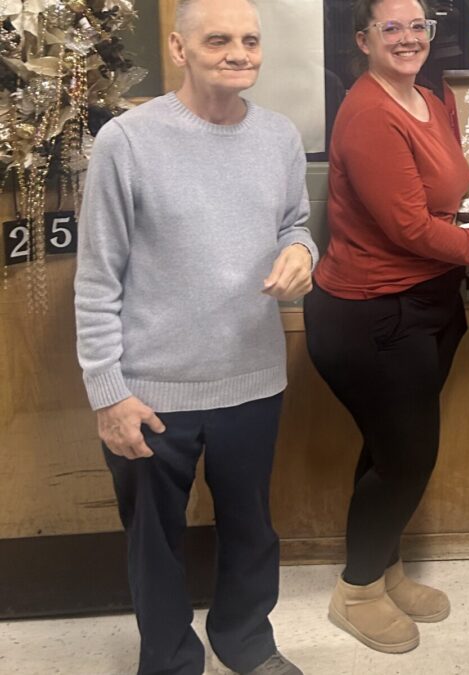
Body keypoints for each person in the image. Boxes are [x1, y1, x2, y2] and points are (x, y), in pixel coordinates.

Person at [303, 0, 469, 655]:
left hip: (428, 306)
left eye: (420, 26)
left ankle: (384, 570)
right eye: (393, 27)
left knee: (391, 450)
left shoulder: (430, 100)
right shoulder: (367, 116)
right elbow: (410, 228)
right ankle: (356, 591)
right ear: (363, 39)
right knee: (407, 459)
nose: (410, 37)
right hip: (371, 316)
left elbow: (449, 195)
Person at [74, 0, 316, 672]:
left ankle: (246, 640)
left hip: (252, 378)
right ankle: (172, 658)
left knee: (251, 530)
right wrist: (108, 392)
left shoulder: (278, 138)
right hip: (150, 392)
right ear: (179, 50)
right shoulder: (127, 141)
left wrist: (303, 253)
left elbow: (295, 224)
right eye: (218, 40)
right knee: (154, 543)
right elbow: (96, 280)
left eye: (250, 40)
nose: (239, 53)